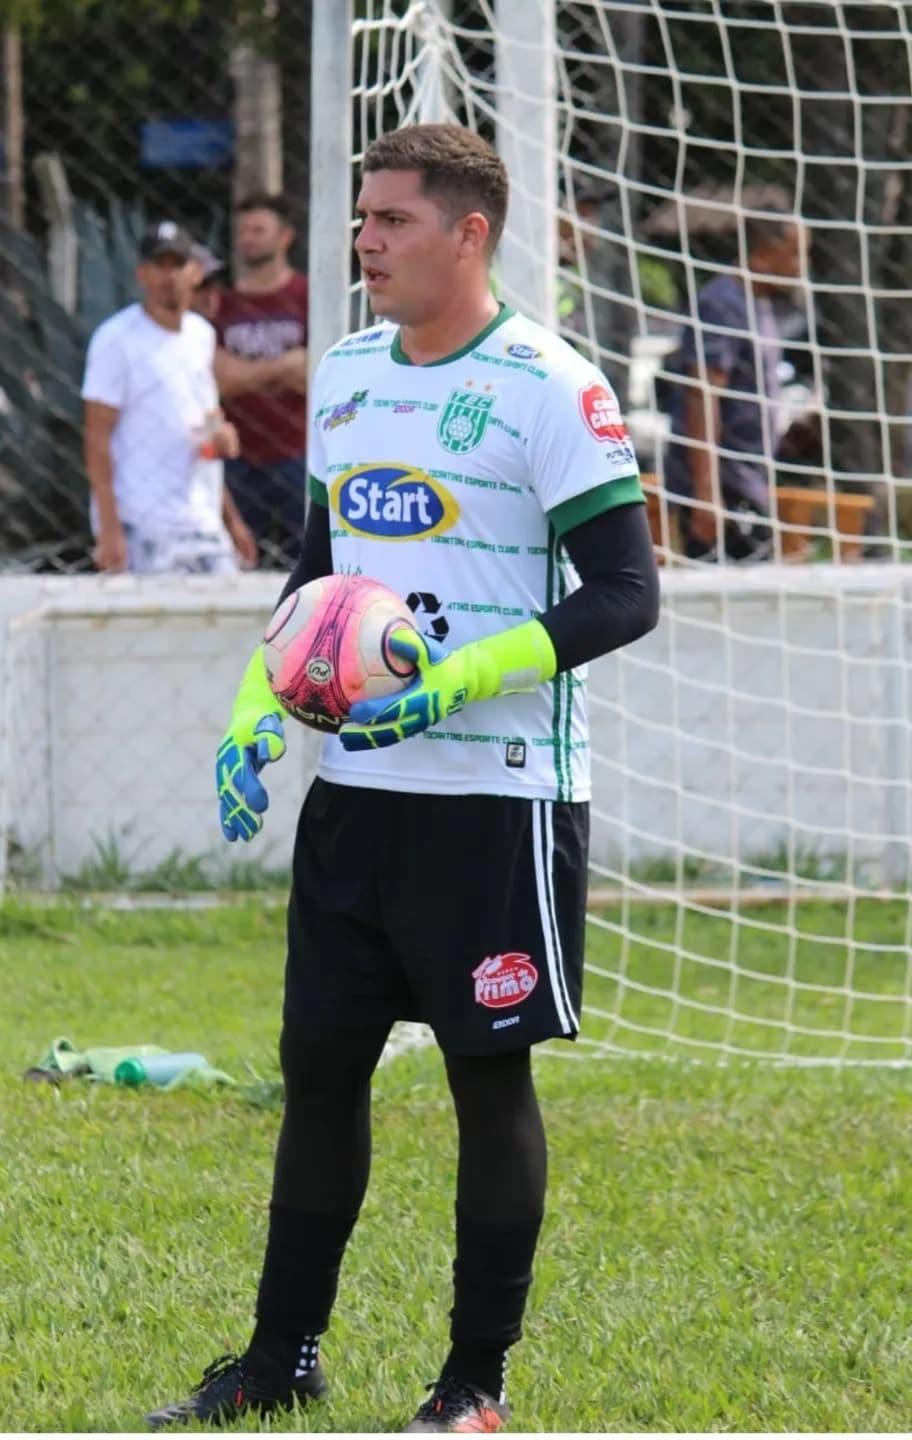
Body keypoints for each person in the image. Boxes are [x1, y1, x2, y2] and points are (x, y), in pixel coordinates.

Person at [146, 124, 659, 1434]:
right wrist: (259, 704)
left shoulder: (551, 385)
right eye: (359, 220)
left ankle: (472, 1387)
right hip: (358, 802)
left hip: (498, 802)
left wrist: (463, 675)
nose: (361, 244)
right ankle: (277, 1361)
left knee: (489, 1084)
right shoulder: (354, 375)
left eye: (387, 221)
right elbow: (316, 571)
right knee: (318, 1071)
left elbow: (626, 593)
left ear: (467, 232)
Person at [82, 221, 257, 574]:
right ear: (141, 274)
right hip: (142, 524)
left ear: (194, 272)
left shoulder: (201, 336)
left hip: (203, 522)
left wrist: (231, 519)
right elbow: (96, 437)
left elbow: (204, 424)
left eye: (177, 264)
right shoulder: (115, 339)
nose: (169, 276)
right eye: (159, 265)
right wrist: (110, 530)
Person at [663, 210, 805, 561]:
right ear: (767, 251)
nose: (802, 265)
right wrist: (706, 493)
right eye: (797, 253)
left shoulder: (760, 304)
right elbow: (702, 395)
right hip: (724, 489)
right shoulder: (722, 304)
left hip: (748, 483)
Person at [214, 191, 310, 567]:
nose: (248, 238)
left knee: (306, 563)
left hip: (298, 452)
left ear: (284, 237)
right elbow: (218, 379)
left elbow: (313, 373)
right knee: (239, 562)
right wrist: (284, 366)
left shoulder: (305, 295)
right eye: (243, 231)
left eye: (259, 229)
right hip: (237, 457)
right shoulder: (223, 303)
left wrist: (244, 373)